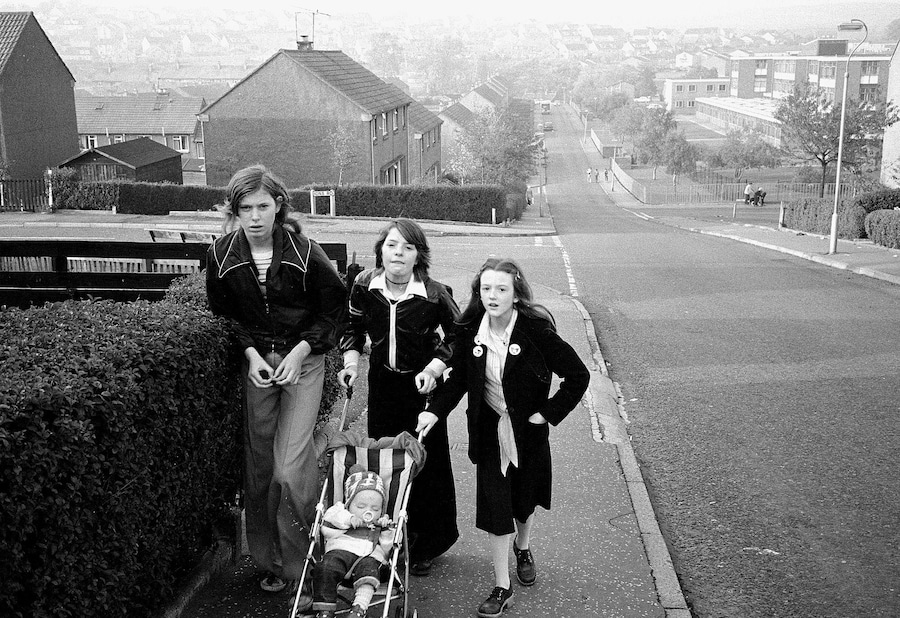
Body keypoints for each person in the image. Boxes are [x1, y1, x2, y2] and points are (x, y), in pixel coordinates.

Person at [205, 165, 347, 604]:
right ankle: (268, 563)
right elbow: (224, 314)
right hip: (258, 367)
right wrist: (249, 355)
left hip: (303, 362)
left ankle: (301, 560)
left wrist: (302, 352)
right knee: (260, 466)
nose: (253, 216)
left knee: (289, 466)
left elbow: (333, 312)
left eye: (262, 206)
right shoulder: (221, 254)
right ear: (234, 211)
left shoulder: (306, 253)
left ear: (279, 206)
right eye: (244, 208)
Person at [416, 258, 590, 618]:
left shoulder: (535, 330)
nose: (492, 296)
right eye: (486, 289)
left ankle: (523, 548)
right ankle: (501, 586)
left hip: (528, 431)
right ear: (478, 293)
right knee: (497, 508)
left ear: (515, 293)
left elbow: (578, 375)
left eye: (501, 289)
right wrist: (434, 409)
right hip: (489, 429)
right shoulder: (470, 331)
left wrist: (548, 413)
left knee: (524, 500)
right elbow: (461, 378)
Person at [338, 218, 460, 576]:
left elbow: (458, 337)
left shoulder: (435, 293)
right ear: (381, 250)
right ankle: (384, 537)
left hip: (421, 387)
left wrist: (435, 368)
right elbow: (352, 327)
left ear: (418, 255)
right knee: (384, 462)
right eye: (392, 245)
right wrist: (350, 362)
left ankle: (426, 544)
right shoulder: (364, 285)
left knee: (425, 465)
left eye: (408, 247)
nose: (398, 253)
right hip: (382, 383)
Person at [312, 465, 394, 618]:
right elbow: (327, 523)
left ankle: (359, 609)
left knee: (370, 569)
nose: (367, 511)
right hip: (340, 552)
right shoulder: (340, 511)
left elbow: (390, 549)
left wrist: (386, 529)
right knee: (325, 567)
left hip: (368, 557)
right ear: (349, 503)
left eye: (375, 508)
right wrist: (348, 519)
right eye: (361, 506)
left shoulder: (381, 523)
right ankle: (325, 610)